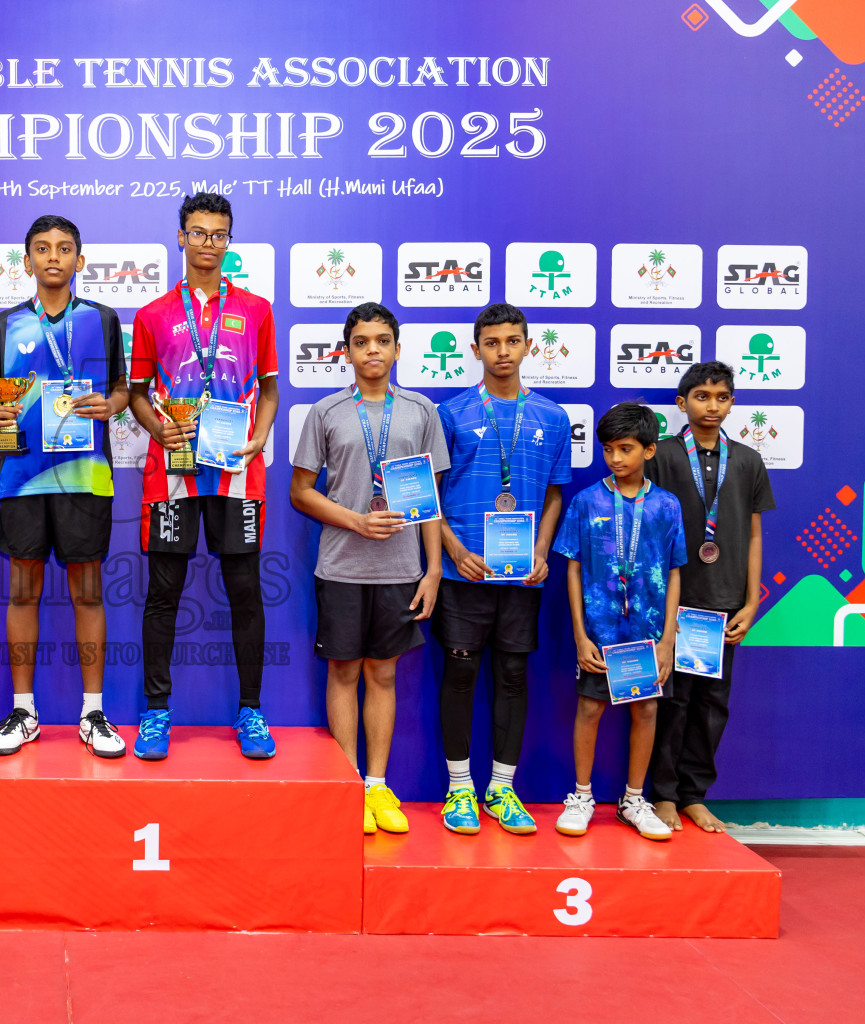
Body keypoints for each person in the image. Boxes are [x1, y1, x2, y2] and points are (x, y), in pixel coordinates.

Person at [128, 191, 280, 760]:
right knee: (163, 592)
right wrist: (158, 428)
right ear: (181, 237)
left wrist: (261, 435)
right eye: (198, 232)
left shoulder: (257, 309)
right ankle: (155, 712)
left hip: (237, 469)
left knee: (245, 591)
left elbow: (270, 389)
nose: (208, 243)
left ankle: (251, 711)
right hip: (174, 472)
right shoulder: (152, 315)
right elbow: (137, 394)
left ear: (229, 240)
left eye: (218, 234)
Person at [0, 214, 128, 758]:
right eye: (42, 248)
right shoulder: (5, 324)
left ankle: (93, 712)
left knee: (88, 590)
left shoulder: (103, 320)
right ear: (27, 261)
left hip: (86, 475)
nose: (53, 257)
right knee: (22, 590)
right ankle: (25, 711)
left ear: (79, 260)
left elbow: (121, 389)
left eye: (64, 248)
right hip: (22, 476)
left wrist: (111, 405)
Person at [290, 303, 447, 834]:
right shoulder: (327, 411)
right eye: (361, 342)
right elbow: (300, 492)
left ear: (398, 349)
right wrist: (355, 521)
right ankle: (348, 785)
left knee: (383, 674)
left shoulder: (422, 412)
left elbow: (431, 499)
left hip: (401, 569)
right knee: (343, 671)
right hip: (341, 566)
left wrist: (432, 570)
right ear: (348, 351)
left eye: (382, 340)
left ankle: (378, 786)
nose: (372, 350)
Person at [433, 303, 570, 835]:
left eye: (513, 341)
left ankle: (501, 789)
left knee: (513, 677)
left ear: (529, 346)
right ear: (476, 350)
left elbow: (555, 494)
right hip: (463, 572)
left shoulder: (552, 418)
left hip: (521, 574)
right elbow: (429, 493)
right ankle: (459, 789)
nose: (503, 351)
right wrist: (453, 549)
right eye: (492, 343)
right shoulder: (450, 414)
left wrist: (541, 550)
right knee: (461, 675)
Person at [646, 361, 775, 833]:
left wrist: (751, 602)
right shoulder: (660, 455)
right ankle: (662, 794)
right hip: (672, 604)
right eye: (702, 397)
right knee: (671, 701)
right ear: (682, 403)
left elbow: (754, 535)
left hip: (724, 604)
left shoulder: (748, 460)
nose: (712, 406)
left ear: (733, 404)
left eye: (722, 398)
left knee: (712, 704)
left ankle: (693, 795)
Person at [553, 403, 685, 841]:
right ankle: (581, 796)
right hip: (599, 631)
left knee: (646, 709)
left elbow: (674, 571)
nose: (615, 458)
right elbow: (573, 569)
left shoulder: (666, 505)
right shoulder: (586, 501)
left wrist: (667, 641)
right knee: (590, 708)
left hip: (648, 633)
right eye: (608, 449)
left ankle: (633, 800)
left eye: (625, 448)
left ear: (649, 450)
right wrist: (579, 635)